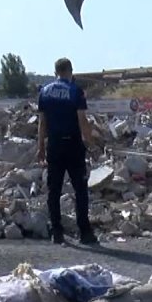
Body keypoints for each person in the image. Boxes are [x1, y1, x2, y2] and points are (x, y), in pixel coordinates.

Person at [37, 57, 98, 245]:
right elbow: (82, 120)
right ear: (71, 71)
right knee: (80, 189)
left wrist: (40, 148)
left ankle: (57, 231)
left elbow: (42, 123)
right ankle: (85, 232)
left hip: (54, 145)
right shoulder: (75, 91)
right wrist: (91, 143)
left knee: (53, 190)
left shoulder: (45, 92)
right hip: (73, 145)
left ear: (55, 72)